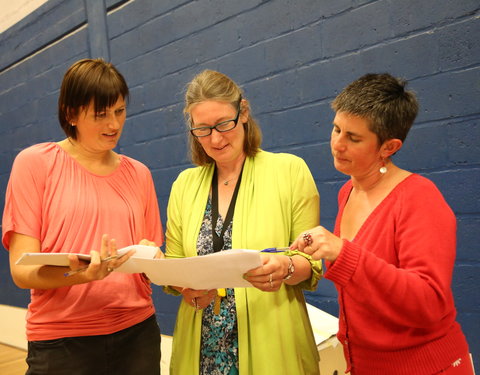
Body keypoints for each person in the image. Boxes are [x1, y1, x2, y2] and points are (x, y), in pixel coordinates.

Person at [291, 73, 474, 375]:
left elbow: (429, 302)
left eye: (354, 138)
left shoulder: (418, 196)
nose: (337, 144)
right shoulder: (347, 192)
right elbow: (365, 288)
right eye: (336, 129)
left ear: (388, 147)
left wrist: (343, 253)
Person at [2, 58, 164, 375]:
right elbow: (22, 271)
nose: (114, 124)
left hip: (137, 334)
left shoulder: (140, 174)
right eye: (100, 115)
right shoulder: (34, 164)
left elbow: (151, 267)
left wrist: (155, 259)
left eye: (119, 111)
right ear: (71, 114)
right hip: (62, 341)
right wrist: (82, 276)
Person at [164, 69, 322, 375]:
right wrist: (181, 285)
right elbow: (174, 263)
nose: (216, 138)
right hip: (203, 347)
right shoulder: (184, 185)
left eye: (224, 123)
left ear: (244, 112)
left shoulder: (289, 171)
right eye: (203, 129)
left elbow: (310, 263)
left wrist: (287, 267)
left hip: (272, 341)